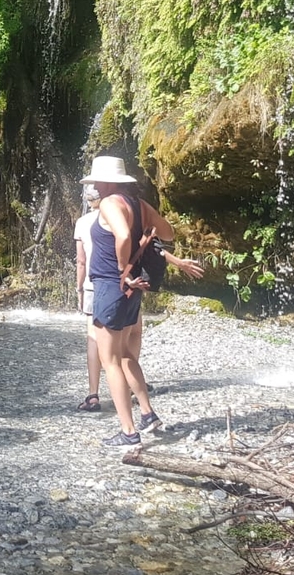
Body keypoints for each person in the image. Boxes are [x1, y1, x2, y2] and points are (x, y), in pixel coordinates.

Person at [82, 155, 203, 447]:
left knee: (110, 360)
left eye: (98, 180)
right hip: (132, 288)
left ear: (108, 182)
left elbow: (123, 235)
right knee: (125, 355)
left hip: (113, 285)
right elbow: (167, 232)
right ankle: (148, 415)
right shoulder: (139, 205)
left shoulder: (111, 203)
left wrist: (122, 269)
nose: (96, 185)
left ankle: (128, 431)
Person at [74, 185, 103, 412]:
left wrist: (78, 289)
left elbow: (81, 261)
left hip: (92, 285)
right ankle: (131, 387)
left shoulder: (82, 222)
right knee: (120, 339)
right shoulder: (119, 217)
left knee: (93, 339)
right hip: (119, 284)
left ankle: (93, 394)